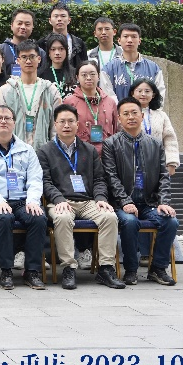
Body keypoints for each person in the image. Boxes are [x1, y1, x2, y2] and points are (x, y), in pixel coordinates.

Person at [37, 104, 126, 290]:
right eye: (62, 121)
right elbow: (45, 182)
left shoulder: (89, 150)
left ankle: (106, 268)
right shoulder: (45, 151)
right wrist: (59, 199)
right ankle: (68, 268)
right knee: (62, 218)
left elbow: (100, 179)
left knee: (109, 217)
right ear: (55, 125)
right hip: (60, 201)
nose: (66, 125)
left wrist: (101, 198)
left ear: (78, 124)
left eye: (71, 121)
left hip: (87, 201)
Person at [102, 97, 179, 286]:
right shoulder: (111, 144)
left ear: (142, 116)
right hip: (121, 203)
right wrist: (125, 201)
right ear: (119, 118)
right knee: (129, 222)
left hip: (148, 202)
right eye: (126, 114)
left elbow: (163, 176)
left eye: (134, 113)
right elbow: (111, 177)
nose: (131, 117)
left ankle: (158, 268)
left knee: (170, 221)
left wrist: (164, 202)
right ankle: (131, 269)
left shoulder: (155, 144)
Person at [0, 105, 48, 291]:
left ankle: (32, 271)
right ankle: (6, 271)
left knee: (38, 217)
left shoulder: (27, 149)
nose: (3, 121)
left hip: (22, 201)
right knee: (4, 218)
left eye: (7, 118)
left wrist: (33, 201)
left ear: (14, 122)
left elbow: (35, 178)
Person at [0, 40, 63, 148]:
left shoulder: (51, 90)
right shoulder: (6, 90)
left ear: (39, 59)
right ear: (18, 60)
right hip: (14, 150)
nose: (28, 61)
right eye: (24, 57)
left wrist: (53, 151)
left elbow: (57, 125)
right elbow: (0, 123)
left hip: (43, 151)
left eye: (32, 57)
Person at [101, 23, 166, 103]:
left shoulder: (153, 68)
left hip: (146, 111)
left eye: (134, 37)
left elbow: (160, 94)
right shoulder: (108, 69)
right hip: (119, 111)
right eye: (125, 36)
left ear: (139, 41)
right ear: (119, 40)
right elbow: (108, 96)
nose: (129, 40)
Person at [63, 61, 118, 154]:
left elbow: (116, 129)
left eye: (92, 74)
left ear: (98, 76)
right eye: (84, 75)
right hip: (79, 153)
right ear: (77, 77)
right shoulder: (69, 102)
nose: (88, 78)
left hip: (107, 154)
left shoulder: (110, 102)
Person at [130, 78, 180, 175]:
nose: (143, 94)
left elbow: (170, 139)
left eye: (147, 91)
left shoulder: (161, 115)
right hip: (133, 165)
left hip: (157, 164)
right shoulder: (127, 114)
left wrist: (171, 163)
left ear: (153, 94)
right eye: (139, 91)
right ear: (133, 93)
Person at [40, 34, 78, 98]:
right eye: (53, 49)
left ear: (66, 51)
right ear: (49, 53)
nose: (57, 53)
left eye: (61, 49)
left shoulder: (76, 74)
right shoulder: (41, 75)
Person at [1, 9, 36, 76]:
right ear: (12, 26)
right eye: (19, 23)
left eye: (27, 24)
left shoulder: (39, 52)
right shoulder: (1, 50)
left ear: (32, 27)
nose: (23, 27)